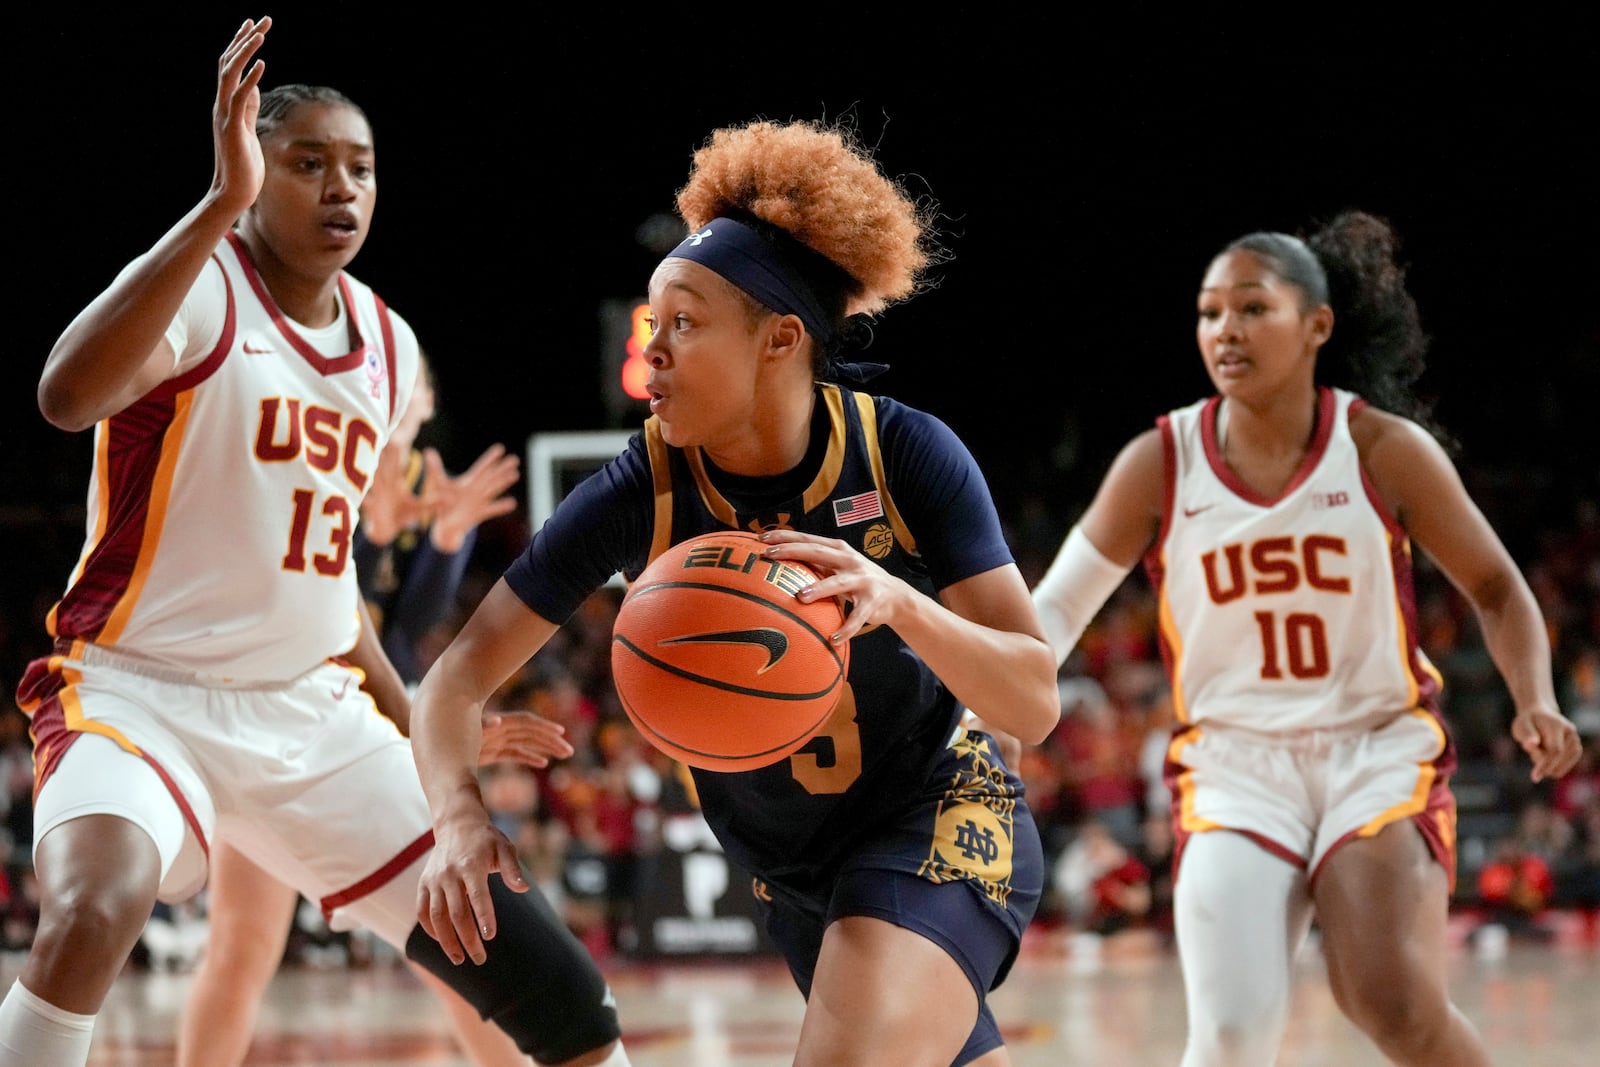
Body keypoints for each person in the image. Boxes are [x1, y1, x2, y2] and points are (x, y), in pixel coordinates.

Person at [2, 19, 628, 1067]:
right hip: (135, 690)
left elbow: (329, 585)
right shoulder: (201, 287)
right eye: (306, 163)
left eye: (361, 168)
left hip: (308, 710)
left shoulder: (387, 345)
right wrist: (215, 206)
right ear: (254, 171)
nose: (341, 188)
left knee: (556, 988)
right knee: (88, 913)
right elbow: (65, 396)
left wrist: (426, 720)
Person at [407, 118, 1061, 1067]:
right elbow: (453, 682)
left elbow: (1034, 699)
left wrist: (902, 602)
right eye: (651, 323)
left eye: (684, 322)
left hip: (938, 815)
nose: (654, 349)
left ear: (781, 339)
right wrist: (460, 820)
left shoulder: (905, 454)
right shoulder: (642, 489)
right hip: (792, 874)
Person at [1031, 210, 1583, 1066]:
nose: (1226, 331)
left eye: (1253, 308)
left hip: (1376, 750)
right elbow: (1057, 610)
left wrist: (1537, 696)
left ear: (1316, 325)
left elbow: (1496, 585)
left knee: (1390, 1001)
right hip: (1234, 765)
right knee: (1229, 1035)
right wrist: (997, 692)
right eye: (1211, 312)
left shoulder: (1382, 449)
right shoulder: (1160, 461)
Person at [176, 345, 527, 1067]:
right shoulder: (309, 464)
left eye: (411, 397)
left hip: (367, 734)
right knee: (241, 947)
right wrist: (373, 536)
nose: (400, 407)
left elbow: (400, 628)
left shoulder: (408, 485)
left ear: (420, 407)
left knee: (457, 953)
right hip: (279, 724)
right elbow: (324, 613)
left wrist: (451, 540)